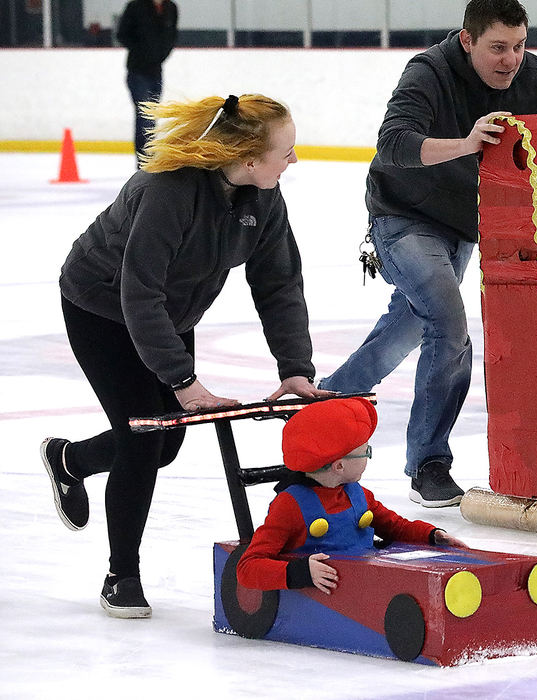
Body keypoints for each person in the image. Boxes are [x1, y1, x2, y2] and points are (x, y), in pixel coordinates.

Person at [318, 0, 537, 508]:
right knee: (448, 324)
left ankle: (331, 397)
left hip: (461, 226)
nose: (511, 60)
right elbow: (393, 145)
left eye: (520, 46)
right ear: (467, 41)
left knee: (413, 326)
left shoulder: (535, 76)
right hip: (402, 217)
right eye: (497, 48)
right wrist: (466, 143)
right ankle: (429, 463)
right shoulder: (427, 73)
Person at [40, 93, 331, 619]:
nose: (294, 160)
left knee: (166, 441)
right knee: (140, 436)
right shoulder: (167, 192)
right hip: (102, 306)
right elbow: (139, 294)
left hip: (168, 314)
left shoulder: (263, 199)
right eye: (285, 151)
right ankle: (121, 575)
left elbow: (278, 282)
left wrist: (295, 368)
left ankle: (71, 460)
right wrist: (183, 379)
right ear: (246, 158)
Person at [236, 398, 467, 593]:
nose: (368, 456)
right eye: (365, 452)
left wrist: (431, 535)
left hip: (363, 579)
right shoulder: (290, 506)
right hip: (335, 595)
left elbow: (395, 526)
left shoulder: (357, 495)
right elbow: (247, 567)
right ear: (339, 466)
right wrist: (300, 572)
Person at [116, 0, 178, 166]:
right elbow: (122, 34)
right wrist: (143, 53)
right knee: (145, 116)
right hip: (138, 71)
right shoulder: (136, 6)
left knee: (151, 116)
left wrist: (160, 56)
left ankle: (148, 159)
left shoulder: (170, 8)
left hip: (156, 71)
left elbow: (171, 36)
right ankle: (144, 162)